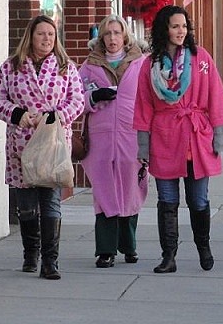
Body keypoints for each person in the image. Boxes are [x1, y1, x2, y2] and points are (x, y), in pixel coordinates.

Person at [133, 5, 223, 273]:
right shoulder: (150, 65)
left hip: (197, 137)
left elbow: (215, 96)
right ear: (164, 28)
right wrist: (143, 145)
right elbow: (143, 106)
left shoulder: (201, 58)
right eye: (175, 26)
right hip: (165, 136)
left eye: (184, 26)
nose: (180, 31)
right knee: (167, 200)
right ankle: (169, 256)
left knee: (198, 199)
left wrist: (219, 135)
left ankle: (203, 246)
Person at [0, 15, 84, 280]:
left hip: (53, 143)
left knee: (51, 201)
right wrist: (18, 114)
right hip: (22, 144)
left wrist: (56, 116)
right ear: (30, 36)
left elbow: (77, 100)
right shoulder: (12, 66)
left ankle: (50, 262)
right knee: (27, 206)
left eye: (51, 35)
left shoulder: (66, 67)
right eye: (41, 34)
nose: (46, 39)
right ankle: (30, 254)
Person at [78, 15, 148, 268]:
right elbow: (76, 100)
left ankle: (129, 246)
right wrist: (94, 97)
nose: (112, 38)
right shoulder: (88, 66)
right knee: (104, 191)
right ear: (101, 38)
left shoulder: (141, 64)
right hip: (101, 138)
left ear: (125, 36)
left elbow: (150, 100)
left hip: (132, 135)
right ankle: (105, 250)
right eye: (107, 34)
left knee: (131, 189)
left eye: (117, 33)